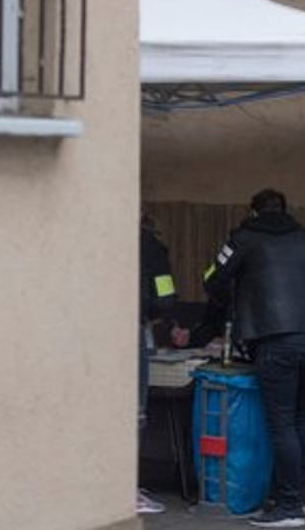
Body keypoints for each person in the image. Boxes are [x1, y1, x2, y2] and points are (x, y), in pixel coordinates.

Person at [204, 189, 305, 529]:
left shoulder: (244, 238)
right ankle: (299, 491)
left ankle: (289, 506)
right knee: (302, 419)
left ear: (253, 212)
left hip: (274, 339)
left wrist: (235, 300)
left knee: (281, 424)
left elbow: (213, 280)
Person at [137, 216, 178, 515]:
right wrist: (159, 314)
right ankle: (128, 487)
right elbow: (165, 294)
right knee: (135, 412)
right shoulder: (150, 245)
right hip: (134, 326)